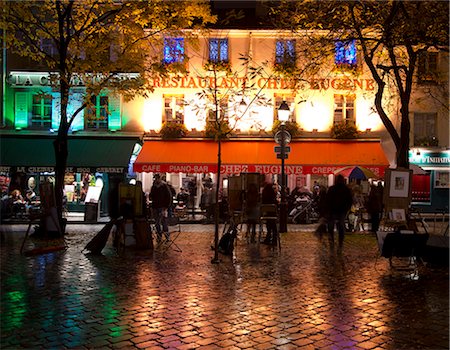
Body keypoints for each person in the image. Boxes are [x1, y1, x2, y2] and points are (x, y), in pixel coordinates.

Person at [325, 175, 353, 249]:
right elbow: (349, 201)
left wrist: (328, 210)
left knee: (331, 227)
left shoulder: (332, 189)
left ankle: (332, 243)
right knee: (340, 226)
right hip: (341, 210)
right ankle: (340, 243)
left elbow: (327, 200)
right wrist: (347, 209)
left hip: (333, 210)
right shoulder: (346, 189)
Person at [150, 174, 173, 242]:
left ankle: (166, 236)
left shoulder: (164, 186)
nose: (156, 180)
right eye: (155, 178)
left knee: (164, 222)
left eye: (156, 178)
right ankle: (159, 236)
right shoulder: (154, 187)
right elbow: (152, 195)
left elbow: (168, 196)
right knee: (157, 222)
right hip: (155, 206)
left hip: (162, 207)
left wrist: (166, 207)